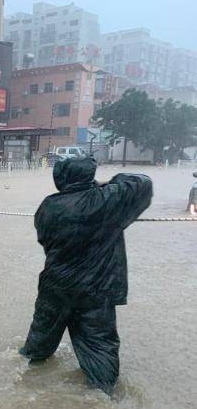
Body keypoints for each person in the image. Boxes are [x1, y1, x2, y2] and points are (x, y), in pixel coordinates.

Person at [19, 157, 153, 395]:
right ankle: (102, 407)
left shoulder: (47, 207)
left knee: (36, 349)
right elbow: (142, 183)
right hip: (95, 293)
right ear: (88, 175)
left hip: (55, 288)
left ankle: (25, 384)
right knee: (100, 357)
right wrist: (104, 184)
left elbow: (44, 240)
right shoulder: (107, 200)